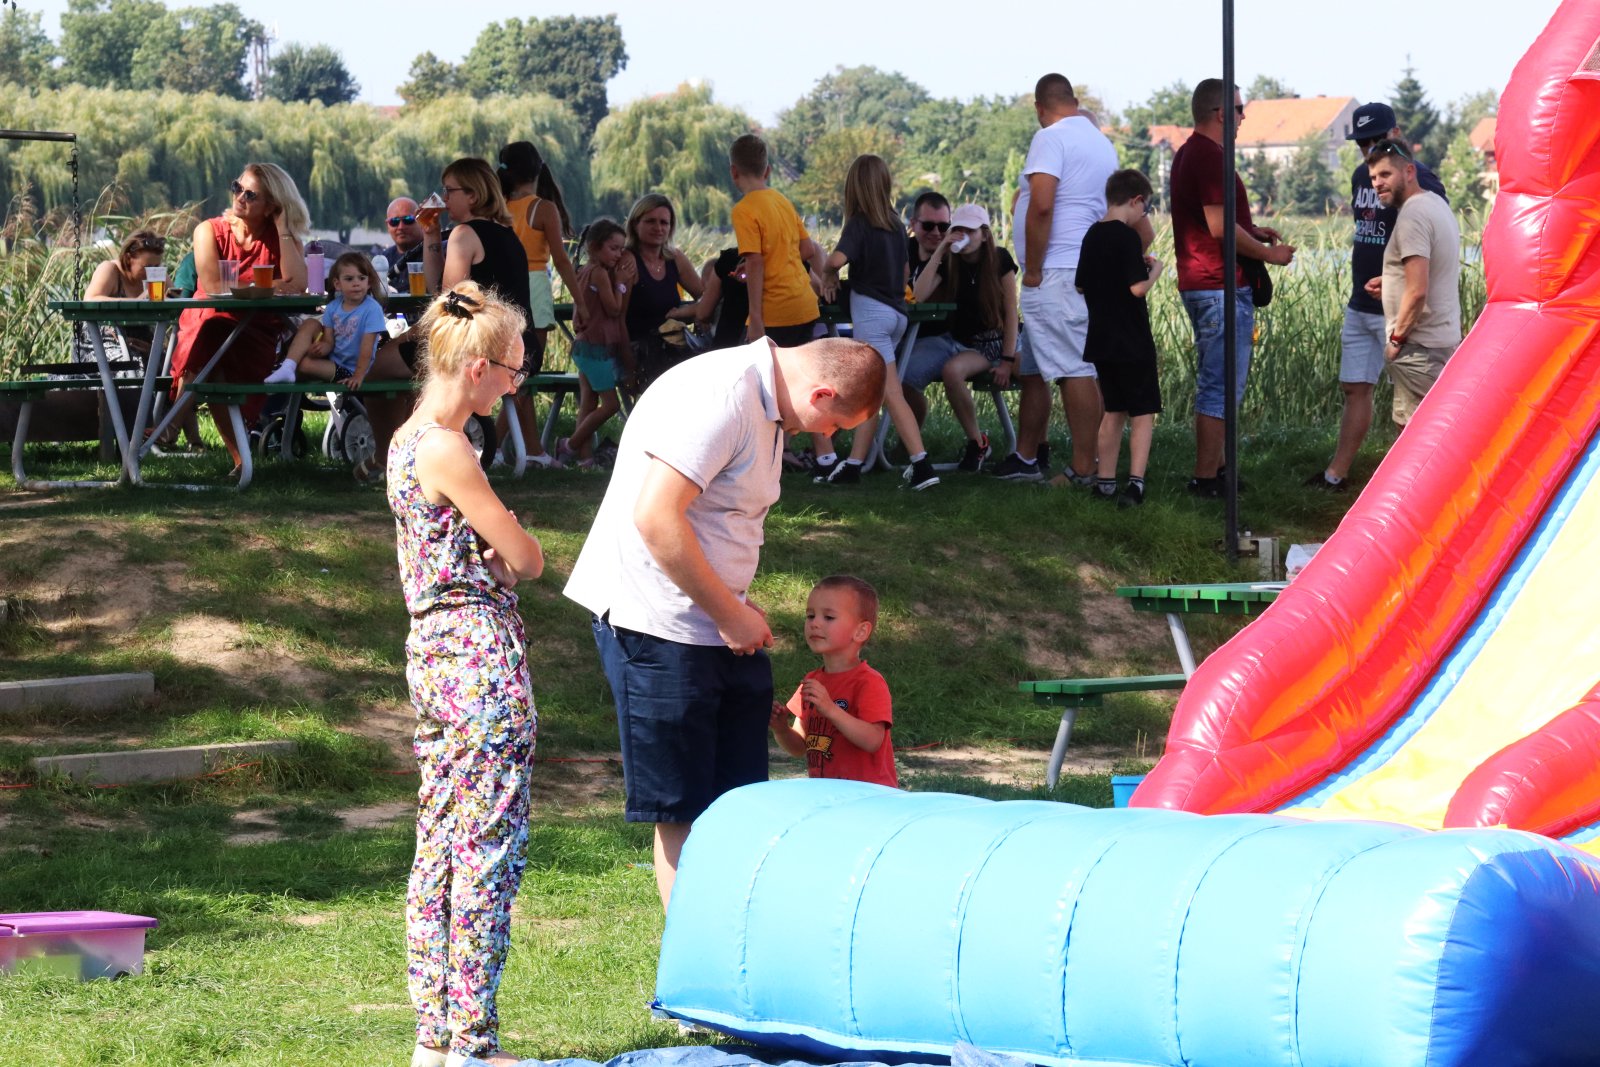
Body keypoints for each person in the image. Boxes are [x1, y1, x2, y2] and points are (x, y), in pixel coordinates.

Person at [564, 335, 887, 910]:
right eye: (835, 424)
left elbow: (720, 519)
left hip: (713, 622)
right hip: (656, 625)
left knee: (738, 800)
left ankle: (729, 934)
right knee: (683, 807)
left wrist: (734, 603)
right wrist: (728, 611)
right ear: (820, 393)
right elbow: (655, 517)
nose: (827, 436)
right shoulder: (722, 394)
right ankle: (690, 951)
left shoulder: (770, 406)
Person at [388, 282, 544, 1067]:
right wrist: (512, 555)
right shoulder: (450, 447)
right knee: (485, 854)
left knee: (440, 847)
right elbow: (527, 557)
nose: (516, 385)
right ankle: (474, 1044)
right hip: (480, 661)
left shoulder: (405, 439)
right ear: (479, 367)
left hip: (433, 656)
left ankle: (436, 1036)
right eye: (514, 370)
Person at [361, 157, 540, 481]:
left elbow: (447, 305)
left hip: (476, 346)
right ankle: (408, 454)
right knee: (406, 371)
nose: (443, 199)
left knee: (373, 369)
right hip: (519, 347)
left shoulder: (464, 234)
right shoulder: (507, 233)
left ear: (472, 195)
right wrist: (431, 235)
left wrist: (407, 335)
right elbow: (442, 291)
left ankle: (388, 457)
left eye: (449, 191)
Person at [1309, 103, 1448, 490]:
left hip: (1398, 307)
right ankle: (1336, 475)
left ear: (1396, 134)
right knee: (1355, 387)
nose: (1369, 149)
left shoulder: (1422, 180)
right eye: (1362, 143)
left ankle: (1417, 484)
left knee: (1412, 401)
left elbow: (1435, 237)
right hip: (1361, 301)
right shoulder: (1361, 176)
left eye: (1376, 140)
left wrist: (1397, 281)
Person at [1169, 79, 1295, 496]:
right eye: (1240, 109)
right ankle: (1205, 479)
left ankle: (1220, 471)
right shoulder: (1208, 156)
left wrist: (1251, 229)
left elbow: (1215, 221)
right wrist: (1267, 253)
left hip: (1207, 282)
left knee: (1221, 383)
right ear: (1222, 113)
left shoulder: (1191, 152)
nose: (1243, 117)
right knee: (1220, 387)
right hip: (1219, 287)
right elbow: (1220, 228)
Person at [999, 73, 1123, 486]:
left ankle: (1084, 468)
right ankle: (1079, 461)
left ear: (1040, 107)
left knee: (1074, 370)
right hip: (1085, 269)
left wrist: (1033, 269)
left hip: (1057, 271)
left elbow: (1041, 206)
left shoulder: (1050, 138)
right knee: (1068, 367)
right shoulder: (1100, 143)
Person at [170, 162, 309, 471]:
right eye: (237, 188)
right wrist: (272, 286)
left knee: (217, 354)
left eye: (251, 194)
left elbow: (298, 285)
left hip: (254, 329)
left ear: (272, 206)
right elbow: (213, 287)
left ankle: (173, 424)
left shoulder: (281, 238)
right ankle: (233, 456)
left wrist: (283, 229)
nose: (240, 197)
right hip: (207, 320)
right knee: (213, 334)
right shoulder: (208, 231)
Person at [813, 154, 938, 491]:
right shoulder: (896, 225)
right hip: (897, 314)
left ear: (854, 187)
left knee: (891, 393)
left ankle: (921, 465)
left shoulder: (859, 223)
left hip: (872, 315)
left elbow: (836, 259)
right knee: (875, 391)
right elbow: (904, 272)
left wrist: (828, 275)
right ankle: (854, 465)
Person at [909, 203, 1021, 472]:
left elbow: (1011, 313)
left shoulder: (1000, 259)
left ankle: (983, 443)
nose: (964, 236)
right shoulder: (951, 261)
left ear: (984, 234)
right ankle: (977, 442)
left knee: (953, 371)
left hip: (993, 342)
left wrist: (1006, 360)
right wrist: (941, 249)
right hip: (961, 341)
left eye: (970, 231)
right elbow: (918, 296)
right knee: (911, 371)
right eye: (958, 229)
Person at [1076, 170, 1164, 508]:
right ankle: (1136, 484)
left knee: (1113, 410)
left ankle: (1105, 483)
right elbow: (1137, 288)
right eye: (1147, 207)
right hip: (1132, 338)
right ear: (1136, 200)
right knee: (1142, 411)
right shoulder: (1127, 237)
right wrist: (1154, 270)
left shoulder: (1092, 235)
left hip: (1101, 338)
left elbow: (1081, 284)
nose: (1145, 214)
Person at [1362, 139, 1462, 427]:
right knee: (1432, 433)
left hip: (1419, 349)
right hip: (1440, 343)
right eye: (1373, 177)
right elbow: (1435, 269)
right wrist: (1393, 281)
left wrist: (1396, 342)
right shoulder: (1434, 203)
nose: (1377, 183)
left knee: (1418, 439)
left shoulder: (1412, 216)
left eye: (1385, 174)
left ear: (1409, 171)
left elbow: (1417, 291)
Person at [769, 575, 898, 788]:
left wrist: (830, 709)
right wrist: (781, 729)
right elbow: (799, 747)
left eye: (828, 617)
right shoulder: (811, 680)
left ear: (860, 631)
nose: (815, 623)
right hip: (827, 794)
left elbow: (872, 741)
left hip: (870, 796)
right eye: (810, 615)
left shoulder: (869, 682)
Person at [498, 141, 580, 463]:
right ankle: (526, 449)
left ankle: (514, 449)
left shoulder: (500, 206)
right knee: (526, 371)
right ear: (538, 168)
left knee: (517, 373)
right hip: (533, 286)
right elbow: (561, 260)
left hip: (505, 287)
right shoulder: (543, 208)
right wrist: (581, 301)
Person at [557, 219, 633, 467]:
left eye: (621, 249)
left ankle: (585, 459)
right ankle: (569, 445)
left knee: (589, 402)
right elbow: (614, 309)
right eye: (613, 248)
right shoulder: (599, 273)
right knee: (611, 404)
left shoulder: (583, 271)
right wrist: (621, 283)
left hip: (585, 345)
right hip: (594, 348)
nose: (618, 254)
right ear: (594, 247)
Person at [620, 193, 704, 388]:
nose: (658, 228)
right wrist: (628, 365)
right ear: (635, 224)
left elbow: (706, 296)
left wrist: (687, 312)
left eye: (664, 223)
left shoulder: (675, 258)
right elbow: (618, 318)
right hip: (640, 349)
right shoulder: (627, 260)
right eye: (650, 221)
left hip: (674, 344)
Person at [266, 252, 387, 385]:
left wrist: (358, 376)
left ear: (369, 283)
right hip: (334, 361)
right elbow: (329, 342)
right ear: (337, 284)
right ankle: (287, 367)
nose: (356, 283)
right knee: (310, 323)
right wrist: (321, 348)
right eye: (349, 279)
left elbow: (367, 349)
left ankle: (288, 376)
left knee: (304, 365)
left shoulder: (372, 309)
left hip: (355, 370)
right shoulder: (332, 307)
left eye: (361, 278)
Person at [379, 197, 428, 293]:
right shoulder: (383, 259)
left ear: (420, 221)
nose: (401, 227)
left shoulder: (436, 252)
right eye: (394, 221)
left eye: (408, 220)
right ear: (387, 225)